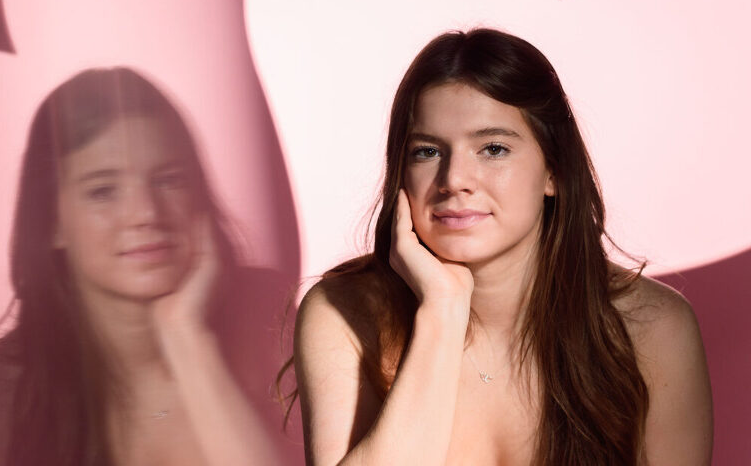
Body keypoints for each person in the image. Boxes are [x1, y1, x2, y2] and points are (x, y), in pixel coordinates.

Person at [292, 28, 713, 465]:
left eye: (493, 149)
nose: (454, 179)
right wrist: (442, 309)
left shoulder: (652, 327)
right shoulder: (344, 314)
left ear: (553, 171)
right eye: (427, 152)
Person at [0, 67, 289, 466]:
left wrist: (187, 337)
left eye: (168, 180)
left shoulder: (275, 325)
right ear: (52, 223)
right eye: (103, 191)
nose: (145, 213)